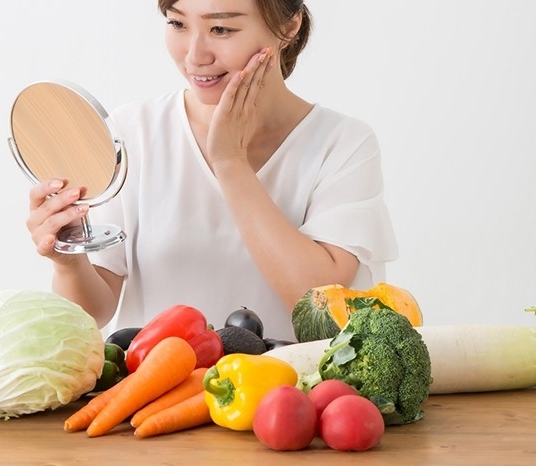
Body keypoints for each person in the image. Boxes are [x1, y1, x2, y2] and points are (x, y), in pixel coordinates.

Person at [25, 0, 398, 341]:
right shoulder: (132, 133)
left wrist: (230, 162)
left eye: (221, 29)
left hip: (288, 404)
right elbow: (94, 310)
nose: (194, 55)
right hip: (154, 400)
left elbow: (318, 304)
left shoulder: (342, 144)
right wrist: (69, 262)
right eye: (177, 23)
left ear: (290, 26)